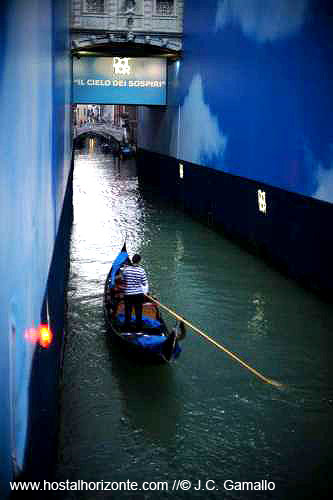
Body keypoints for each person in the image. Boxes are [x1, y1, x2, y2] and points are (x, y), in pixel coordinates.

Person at [122, 254, 148, 331]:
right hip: (138, 294)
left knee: (128, 311)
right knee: (138, 311)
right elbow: (144, 283)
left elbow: (124, 281)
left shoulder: (126, 270)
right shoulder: (141, 270)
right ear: (139, 261)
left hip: (128, 294)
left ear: (132, 260)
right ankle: (138, 328)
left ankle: (127, 327)